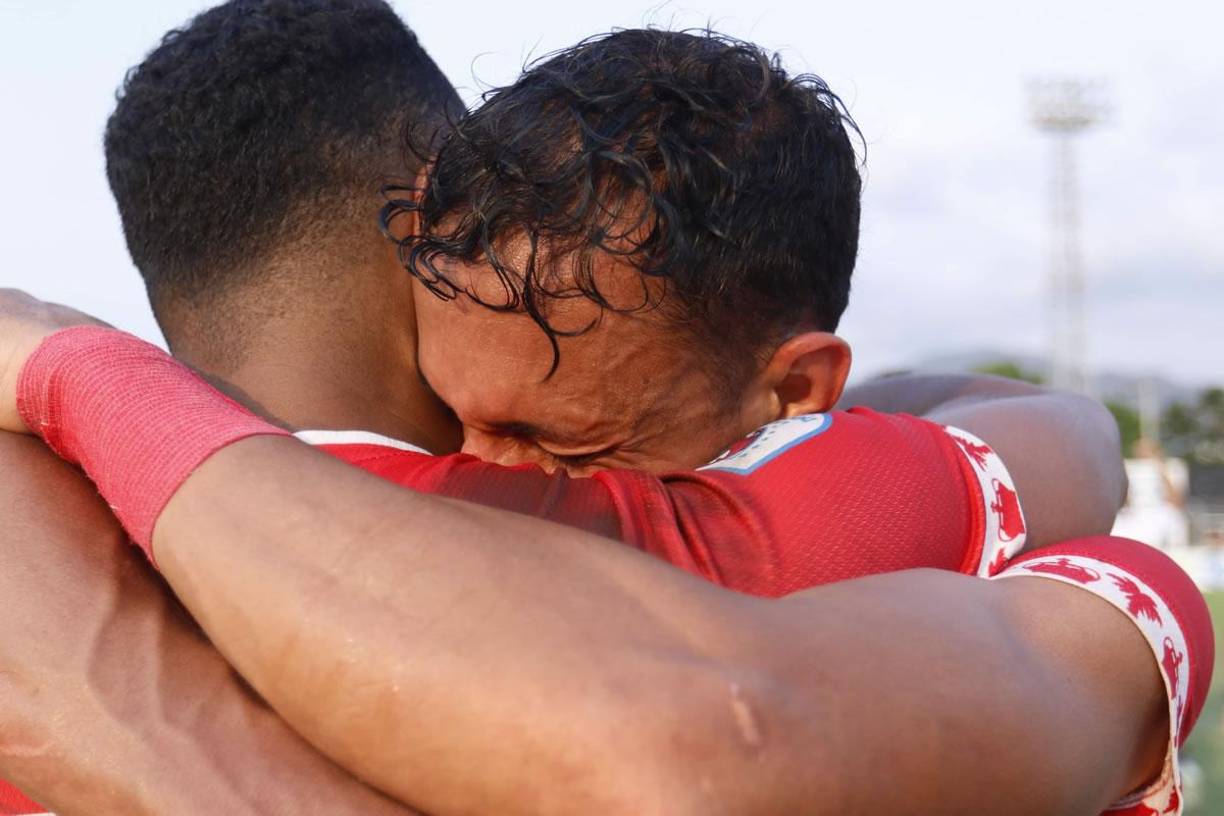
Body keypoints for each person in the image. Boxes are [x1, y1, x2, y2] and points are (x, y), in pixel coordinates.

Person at [0, 9, 1205, 815]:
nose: (495, 462)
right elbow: (1050, 440)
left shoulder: (48, 522)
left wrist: (84, 378)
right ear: (437, 215)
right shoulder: (721, 541)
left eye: (552, 438)